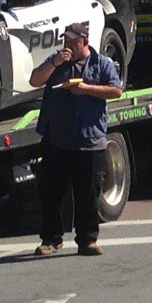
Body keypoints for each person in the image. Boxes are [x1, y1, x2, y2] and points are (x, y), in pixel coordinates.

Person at [29, 21, 124, 257]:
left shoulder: (100, 63)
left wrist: (86, 89)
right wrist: (55, 62)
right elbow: (35, 80)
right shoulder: (57, 61)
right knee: (51, 193)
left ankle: (87, 240)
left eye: (72, 41)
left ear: (85, 42)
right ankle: (51, 239)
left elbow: (116, 90)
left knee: (87, 194)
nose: (67, 45)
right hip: (56, 139)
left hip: (89, 141)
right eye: (65, 41)